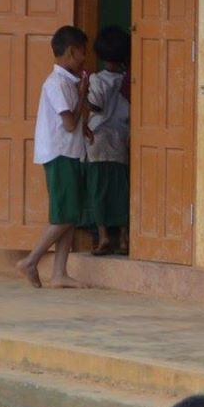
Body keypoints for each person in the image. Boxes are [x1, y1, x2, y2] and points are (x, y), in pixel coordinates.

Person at [18, 25, 89, 288]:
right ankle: (31, 260)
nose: (84, 58)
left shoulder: (66, 81)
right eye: (82, 52)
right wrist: (82, 96)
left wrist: (87, 127)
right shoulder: (56, 83)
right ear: (71, 52)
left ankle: (59, 273)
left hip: (69, 153)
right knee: (64, 217)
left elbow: (74, 123)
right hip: (59, 154)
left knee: (69, 215)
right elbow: (69, 123)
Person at [84, 25, 132, 257]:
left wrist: (82, 92)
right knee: (121, 189)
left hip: (98, 140)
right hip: (121, 137)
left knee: (98, 189)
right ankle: (123, 238)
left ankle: (103, 237)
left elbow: (96, 105)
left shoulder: (97, 79)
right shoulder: (128, 81)